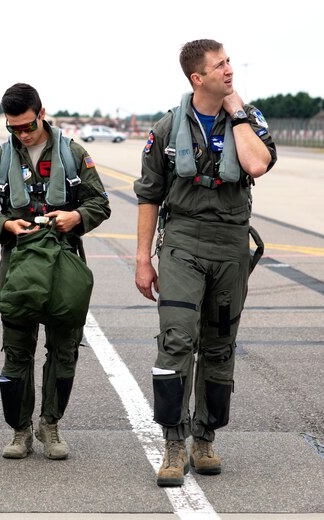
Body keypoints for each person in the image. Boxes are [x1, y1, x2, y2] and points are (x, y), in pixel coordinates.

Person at [133, 39, 276, 487]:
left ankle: (205, 438)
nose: (229, 69)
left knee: (218, 345)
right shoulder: (166, 127)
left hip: (231, 245)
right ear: (198, 78)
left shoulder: (248, 121)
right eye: (220, 65)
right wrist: (142, 259)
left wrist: (235, 111)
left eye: (229, 61)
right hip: (182, 243)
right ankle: (174, 444)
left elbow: (256, 164)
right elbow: (149, 196)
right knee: (175, 341)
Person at [0, 83, 110, 460]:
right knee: (17, 353)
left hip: (64, 262)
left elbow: (100, 202)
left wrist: (76, 216)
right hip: (18, 267)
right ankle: (20, 431)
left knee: (64, 350)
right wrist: (5, 226)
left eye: (27, 125)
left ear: (41, 113)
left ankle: (51, 425)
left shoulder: (74, 154)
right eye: (13, 127)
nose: (22, 134)